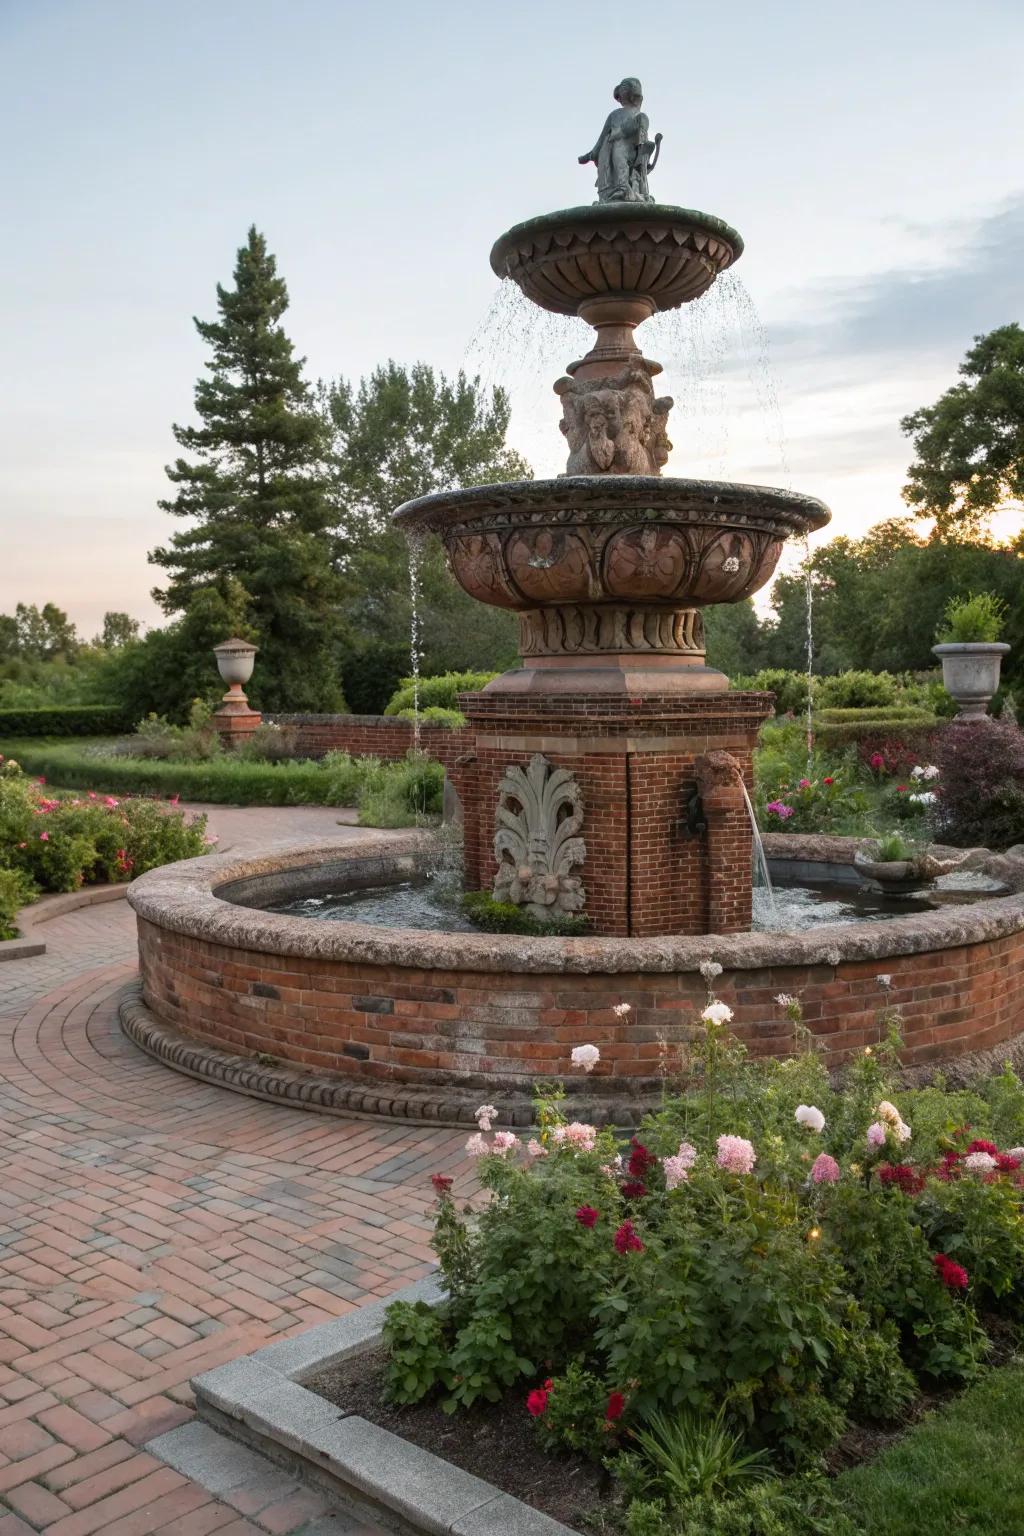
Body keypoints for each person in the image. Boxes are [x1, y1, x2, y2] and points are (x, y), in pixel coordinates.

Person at [578, 78, 661, 204]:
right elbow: (602, 139)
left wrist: (623, 133)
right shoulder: (614, 115)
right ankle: (620, 188)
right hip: (613, 151)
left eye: (623, 90)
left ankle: (624, 187)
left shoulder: (640, 116)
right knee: (616, 145)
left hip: (633, 152)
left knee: (618, 144)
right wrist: (591, 154)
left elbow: (642, 134)